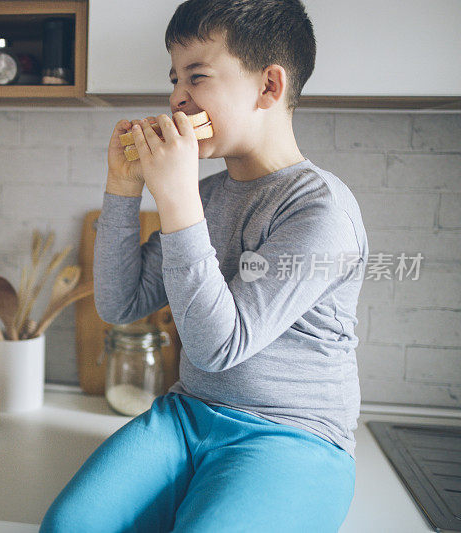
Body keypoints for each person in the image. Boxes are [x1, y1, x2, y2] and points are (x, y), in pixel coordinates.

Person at [40, 0, 368, 531]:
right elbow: (119, 303)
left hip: (293, 436)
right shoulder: (206, 195)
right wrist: (124, 189)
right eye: (174, 79)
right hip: (188, 416)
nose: (176, 98)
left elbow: (220, 347)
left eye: (197, 76)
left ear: (269, 86)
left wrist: (175, 200)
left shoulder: (321, 209)